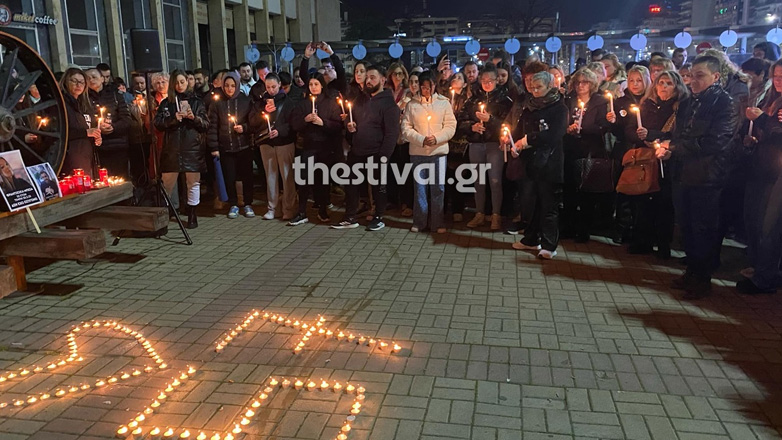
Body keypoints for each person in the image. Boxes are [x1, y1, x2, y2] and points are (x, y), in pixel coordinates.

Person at [657, 55, 739, 299]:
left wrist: (674, 146)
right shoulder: (688, 102)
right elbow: (681, 133)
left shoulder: (725, 103)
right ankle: (692, 271)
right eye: (692, 75)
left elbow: (716, 142)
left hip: (707, 175)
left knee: (703, 228)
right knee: (687, 226)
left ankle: (702, 278)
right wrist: (670, 149)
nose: (693, 80)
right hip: (684, 172)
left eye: (700, 75)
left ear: (716, 77)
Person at [506, 71, 568, 259]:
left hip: (549, 162)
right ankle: (531, 239)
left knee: (548, 205)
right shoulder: (529, 107)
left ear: (550, 87)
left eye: (539, 87)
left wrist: (527, 140)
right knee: (531, 203)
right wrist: (513, 144)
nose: (534, 91)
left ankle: (549, 244)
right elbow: (518, 131)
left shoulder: (559, 108)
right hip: (530, 162)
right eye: (532, 87)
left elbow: (554, 135)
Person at [331, 65, 400, 231]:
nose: (368, 81)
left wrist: (384, 156)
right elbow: (350, 119)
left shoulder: (389, 105)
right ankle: (350, 216)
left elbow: (391, 133)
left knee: (378, 187)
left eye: (373, 77)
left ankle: (378, 216)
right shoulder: (360, 99)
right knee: (351, 184)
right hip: (358, 150)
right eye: (367, 77)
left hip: (376, 152)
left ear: (383, 80)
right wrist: (349, 126)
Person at [628, 70, 688, 259]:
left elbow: (677, 134)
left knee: (664, 204)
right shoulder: (647, 105)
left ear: (677, 86)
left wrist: (652, 135)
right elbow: (632, 128)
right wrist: (640, 137)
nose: (663, 87)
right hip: (646, 159)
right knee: (644, 201)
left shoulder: (680, 108)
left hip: (667, 160)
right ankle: (643, 240)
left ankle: (663, 244)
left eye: (668, 83)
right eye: (661, 83)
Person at [740, 59, 782, 294]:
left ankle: (766, 275)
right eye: (775, 76)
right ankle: (760, 268)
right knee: (755, 220)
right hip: (762, 168)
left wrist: (761, 119)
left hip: (776, 174)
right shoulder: (771, 100)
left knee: (770, 225)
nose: (778, 80)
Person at [457, 65, 513, 231]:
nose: (487, 84)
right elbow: (461, 120)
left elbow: (508, 124)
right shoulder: (473, 99)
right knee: (478, 180)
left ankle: (496, 215)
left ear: (497, 81)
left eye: (490, 81)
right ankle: (479, 212)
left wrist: (491, 120)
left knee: (495, 181)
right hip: (476, 144)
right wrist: (471, 127)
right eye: (484, 81)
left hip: (494, 144)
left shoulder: (505, 100)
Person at [401, 73, 456, 233]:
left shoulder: (443, 103)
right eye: (423, 86)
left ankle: (437, 222)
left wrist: (437, 138)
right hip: (418, 151)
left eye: (429, 86)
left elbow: (451, 125)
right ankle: (420, 221)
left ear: (434, 85)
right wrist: (421, 138)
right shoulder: (412, 105)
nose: (426, 90)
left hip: (438, 151)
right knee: (419, 187)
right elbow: (406, 128)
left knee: (438, 188)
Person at [154, 70, 209, 228]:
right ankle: (164, 215)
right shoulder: (167, 103)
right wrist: (173, 119)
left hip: (192, 148)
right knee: (168, 183)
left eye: (182, 82)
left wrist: (194, 118)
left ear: (187, 82)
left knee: (193, 182)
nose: (179, 85)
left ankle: (192, 214)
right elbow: (157, 124)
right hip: (172, 149)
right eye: (176, 82)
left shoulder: (197, 102)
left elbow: (206, 124)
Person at [562, 68, 610, 242]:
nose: (581, 86)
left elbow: (603, 126)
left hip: (590, 149)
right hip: (571, 149)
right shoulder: (568, 101)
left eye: (585, 82)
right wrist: (568, 129)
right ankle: (568, 226)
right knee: (570, 190)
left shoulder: (599, 102)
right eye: (578, 82)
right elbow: (562, 121)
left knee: (587, 192)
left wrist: (584, 129)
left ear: (592, 84)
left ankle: (583, 230)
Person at [289, 74, 343, 225]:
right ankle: (301, 212)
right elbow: (294, 124)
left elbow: (338, 125)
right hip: (308, 147)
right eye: (311, 84)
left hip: (325, 148)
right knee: (304, 180)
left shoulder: (330, 103)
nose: (313, 87)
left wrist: (322, 122)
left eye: (316, 84)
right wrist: (305, 120)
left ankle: (323, 209)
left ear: (322, 86)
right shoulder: (303, 104)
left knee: (323, 181)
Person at [606, 65, 652, 244]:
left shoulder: (650, 101)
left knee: (642, 190)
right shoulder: (620, 102)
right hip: (624, 150)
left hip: (644, 151)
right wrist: (613, 122)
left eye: (639, 80)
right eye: (631, 80)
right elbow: (617, 131)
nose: (634, 84)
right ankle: (622, 227)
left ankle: (639, 228)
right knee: (624, 189)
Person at [207, 71, 254, 220]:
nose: (229, 89)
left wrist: (244, 128)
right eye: (226, 85)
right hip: (225, 147)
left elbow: (253, 122)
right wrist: (214, 147)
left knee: (247, 176)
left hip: (244, 146)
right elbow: (213, 126)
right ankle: (233, 203)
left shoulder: (245, 101)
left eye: (233, 86)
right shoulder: (217, 102)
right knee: (230, 176)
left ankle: (247, 203)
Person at [251, 72, 298, 220]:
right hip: (266, 143)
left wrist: (280, 131)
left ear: (279, 85)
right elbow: (253, 122)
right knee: (270, 176)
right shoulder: (260, 103)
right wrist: (263, 112)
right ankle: (272, 207)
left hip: (284, 143)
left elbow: (292, 124)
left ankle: (288, 208)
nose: (271, 90)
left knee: (287, 176)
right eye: (268, 87)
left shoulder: (288, 102)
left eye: (273, 86)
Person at [85, 68, 131, 178]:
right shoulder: (84, 98)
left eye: (94, 77)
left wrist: (113, 127)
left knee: (120, 180)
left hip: (117, 146)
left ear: (102, 79)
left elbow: (126, 119)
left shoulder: (115, 94)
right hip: (97, 148)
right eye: (87, 78)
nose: (91, 80)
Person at [61, 68, 101, 175]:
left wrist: (97, 136)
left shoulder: (85, 104)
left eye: (82, 82)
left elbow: (91, 125)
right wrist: (86, 133)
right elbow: (61, 132)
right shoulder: (62, 105)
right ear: (66, 82)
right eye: (74, 81)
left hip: (87, 154)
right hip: (71, 155)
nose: (78, 85)